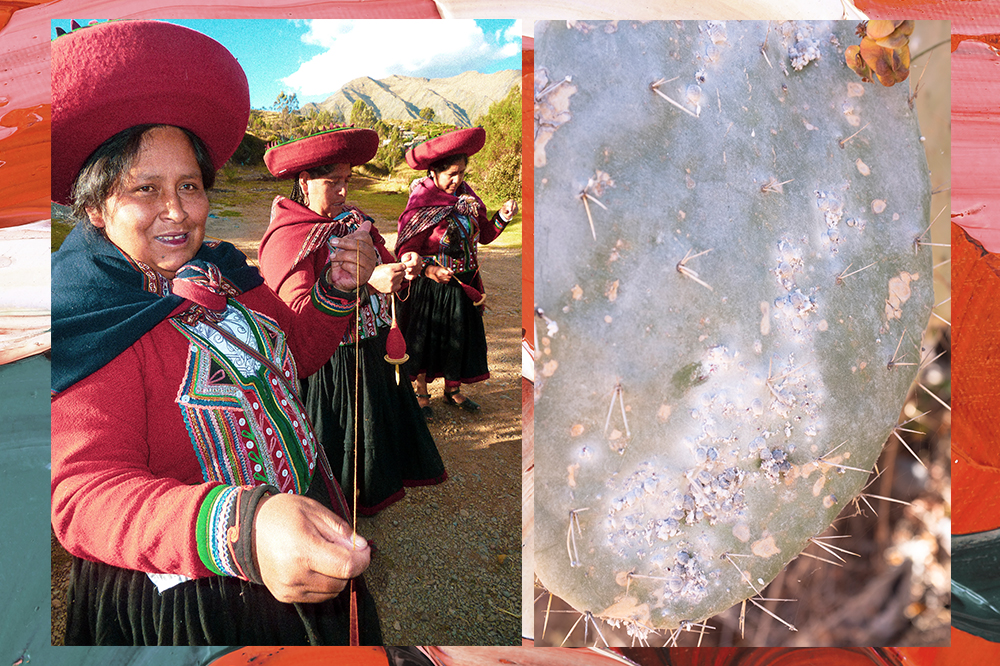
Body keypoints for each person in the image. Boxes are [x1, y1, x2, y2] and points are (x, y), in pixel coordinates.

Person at [50, 20, 381, 645]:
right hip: (192, 600)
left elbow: (298, 355)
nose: (177, 211)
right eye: (145, 189)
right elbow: (83, 494)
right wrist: (240, 528)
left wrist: (337, 288)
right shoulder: (85, 319)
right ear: (95, 208)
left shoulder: (224, 274)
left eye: (190, 186)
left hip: (301, 543)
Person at [258, 127, 447, 515]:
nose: (344, 191)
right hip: (331, 366)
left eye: (348, 180)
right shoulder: (290, 236)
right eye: (334, 182)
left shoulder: (354, 220)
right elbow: (296, 318)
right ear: (305, 182)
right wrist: (364, 288)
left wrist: (403, 267)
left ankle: (371, 494)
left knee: (373, 428)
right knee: (340, 439)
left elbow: (381, 258)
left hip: (371, 349)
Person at [395, 128, 519, 417]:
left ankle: (452, 390)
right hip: (431, 286)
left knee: (458, 337)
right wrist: (428, 269)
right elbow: (404, 251)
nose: (458, 179)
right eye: (451, 173)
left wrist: (502, 216)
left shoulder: (468, 199)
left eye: (462, 172)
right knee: (426, 340)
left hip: (464, 283)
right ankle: (422, 393)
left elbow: (485, 235)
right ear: (434, 173)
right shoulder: (422, 201)